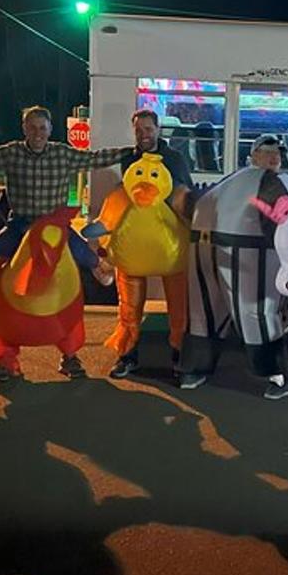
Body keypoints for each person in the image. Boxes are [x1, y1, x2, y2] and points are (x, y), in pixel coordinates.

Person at [0, 106, 132, 378]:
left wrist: (129, 152)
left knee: (81, 253)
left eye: (42, 127)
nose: (37, 132)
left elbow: (96, 159)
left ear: (50, 130)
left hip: (55, 227)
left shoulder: (63, 153)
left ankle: (73, 349)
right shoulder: (11, 152)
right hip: (21, 224)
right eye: (32, 127)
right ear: (24, 128)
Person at [177, 134, 288, 399]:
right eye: (266, 151)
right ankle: (278, 376)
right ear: (253, 155)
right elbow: (284, 223)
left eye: (277, 151)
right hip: (246, 253)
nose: (273, 156)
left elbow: (190, 203)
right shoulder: (267, 181)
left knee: (204, 313)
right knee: (258, 313)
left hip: (203, 248)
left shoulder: (229, 181)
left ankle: (194, 369)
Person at [108, 109, 195, 378]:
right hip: (135, 246)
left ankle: (180, 357)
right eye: (139, 130)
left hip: (169, 244)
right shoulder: (128, 159)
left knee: (179, 305)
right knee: (129, 306)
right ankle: (127, 355)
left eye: (148, 129)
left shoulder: (175, 159)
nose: (144, 135)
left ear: (158, 130)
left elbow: (186, 198)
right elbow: (125, 197)